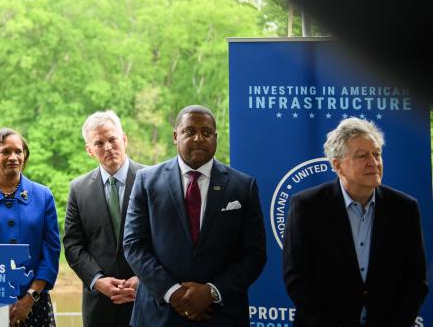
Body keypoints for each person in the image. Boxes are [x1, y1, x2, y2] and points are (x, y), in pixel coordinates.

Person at [123, 105, 265, 325]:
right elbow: (134, 245)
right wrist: (174, 293)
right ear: (175, 136)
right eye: (189, 131)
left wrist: (211, 292)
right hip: (159, 315)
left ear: (216, 138)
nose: (199, 138)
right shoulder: (146, 181)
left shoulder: (243, 187)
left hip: (222, 316)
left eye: (206, 132)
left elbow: (254, 254)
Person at [282, 118, 428, 326]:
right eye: (362, 156)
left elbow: (415, 280)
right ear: (338, 166)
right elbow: (297, 280)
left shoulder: (405, 209)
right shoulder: (307, 207)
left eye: (377, 154)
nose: (374, 162)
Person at [0, 128, 60, 327]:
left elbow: (51, 252)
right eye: (5, 152)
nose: (13, 157)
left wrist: (29, 299)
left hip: (35, 303)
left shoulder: (43, 196)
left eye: (18, 151)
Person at [64, 111, 145, 327]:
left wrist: (144, 279)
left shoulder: (152, 180)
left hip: (146, 300)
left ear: (124, 139)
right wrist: (97, 281)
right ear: (90, 150)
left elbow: (165, 239)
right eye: (99, 143)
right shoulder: (78, 189)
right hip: (99, 305)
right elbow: (73, 245)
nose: (108, 147)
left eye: (112, 139)